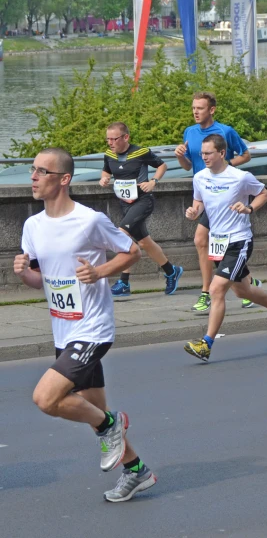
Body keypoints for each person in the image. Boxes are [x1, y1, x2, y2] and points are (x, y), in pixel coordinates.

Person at [16, 148, 155, 502]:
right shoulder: (32, 226)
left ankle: (113, 425)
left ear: (64, 179)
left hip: (93, 330)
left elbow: (132, 252)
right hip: (64, 330)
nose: (33, 176)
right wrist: (25, 274)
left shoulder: (89, 220)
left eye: (41, 171)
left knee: (46, 399)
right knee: (93, 409)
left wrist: (99, 272)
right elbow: (43, 283)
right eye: (32, 170)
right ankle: (136, 470)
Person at [183, 134, 267, 361]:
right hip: (218, 242)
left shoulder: (240, 177)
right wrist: (194, 212)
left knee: (216, 289)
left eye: (208, 153)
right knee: (242, 290)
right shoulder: (200, 177)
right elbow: (199, 203)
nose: (203, 158)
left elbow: (264, 193)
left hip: (239, 240)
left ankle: (206, 344)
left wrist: (249, 208)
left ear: (222, 153)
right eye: (202, 153)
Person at [174, 92, 252, 312]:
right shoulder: (190, 132)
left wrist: (225, 166)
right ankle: (248, 284)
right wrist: (180, 155)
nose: (195, 112)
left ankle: (206, 292)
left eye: (199, 108)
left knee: (203, 239)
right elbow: (188, 166)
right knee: (211, 242)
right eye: (193, 108)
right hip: (203, 194)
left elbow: (245, 155)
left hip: (224, 194)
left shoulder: (225, 131)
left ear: (212, 110)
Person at [99, 122, 183, 296]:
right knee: (144, 242)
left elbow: (162, 165)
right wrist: (104, 179)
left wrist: (153, 182)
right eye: (108, 139)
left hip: (143, 201)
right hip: (125, 203)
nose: (110, 143)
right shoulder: (109, 154)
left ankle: (124, 282)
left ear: (125, 137)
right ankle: (171, 271)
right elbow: (106, 171)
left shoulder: (140, 152)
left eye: (114, 139)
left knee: (121, 235)